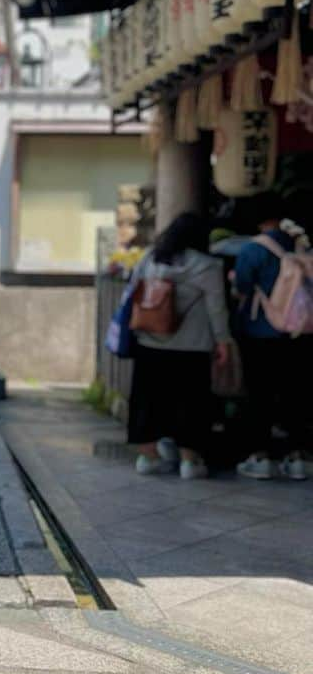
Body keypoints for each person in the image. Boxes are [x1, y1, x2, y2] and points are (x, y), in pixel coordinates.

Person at [127, 212, 231, 480]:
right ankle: (190, 462)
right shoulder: (208, 266)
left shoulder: (151, 258)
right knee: (192, 402)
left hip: (149, 341)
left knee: (148, 400)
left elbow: (132, 291)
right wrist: (223, 341)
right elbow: (216, 309)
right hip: (192, 346)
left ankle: (148, 458)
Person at [231, 193, 310, 481]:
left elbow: (242, 285)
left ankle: (261, 457)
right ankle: (298, 456)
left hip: (261, 331)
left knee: (260, 394)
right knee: (297, 394)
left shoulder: (254, 249)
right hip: (301, 330)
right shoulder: (302, 245)